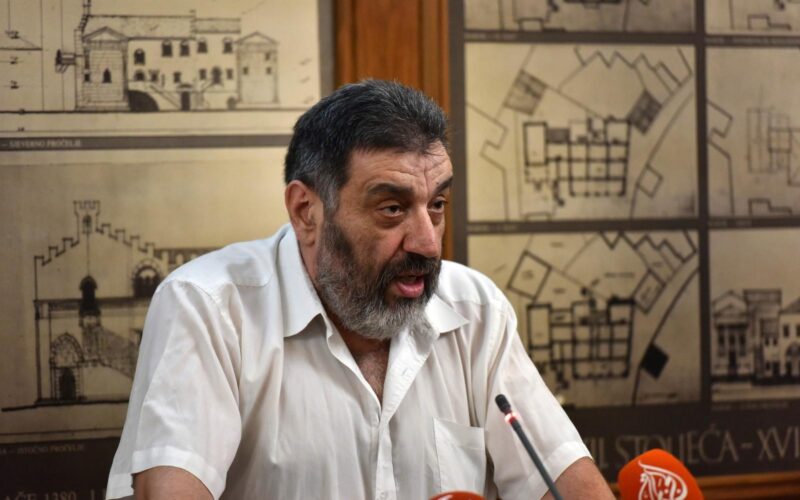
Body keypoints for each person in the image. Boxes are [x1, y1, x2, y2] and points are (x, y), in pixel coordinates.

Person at [106, 80, 613, 500]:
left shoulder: (474, 308)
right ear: (307, 211)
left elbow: (563, 480)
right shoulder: (208, 306)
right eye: (392, 209)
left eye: (436, 205)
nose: (427, 243)